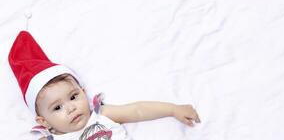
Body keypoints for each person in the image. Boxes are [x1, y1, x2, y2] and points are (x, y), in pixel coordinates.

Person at [8, 31, 200, 140]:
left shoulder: (100, 116)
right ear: (44, 121)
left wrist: (173, 109)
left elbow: (138, 110)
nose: (71, 107)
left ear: (83, 92)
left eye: (73, 96)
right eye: (57, 108)